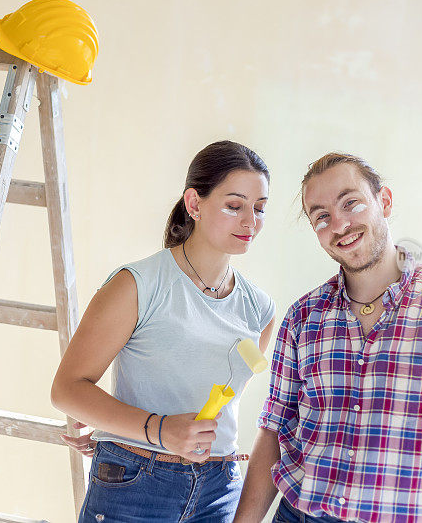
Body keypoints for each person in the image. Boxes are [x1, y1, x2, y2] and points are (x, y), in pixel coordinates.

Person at [233, 153, 422, 523]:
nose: (339, 224)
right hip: (303, 514)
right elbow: (276, 429)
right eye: (321, 216)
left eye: (351, 203)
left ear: (384, 201)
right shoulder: (303, 317)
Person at [50, 140, 277, 522]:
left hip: (219, 489)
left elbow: (214, 402)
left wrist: (115, 424)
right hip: (136, 483)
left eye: (259, 208)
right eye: (234, 206)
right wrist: (154, 431)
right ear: (194, 204)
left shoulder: (261, 309)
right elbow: (66, 389)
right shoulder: (137, 285)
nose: (249, 222)